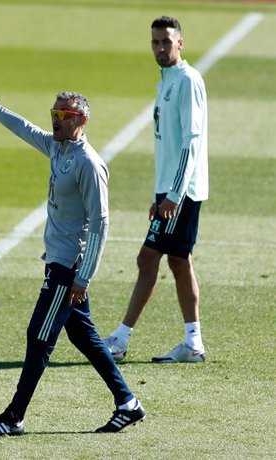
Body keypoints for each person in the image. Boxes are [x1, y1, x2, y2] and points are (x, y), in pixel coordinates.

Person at [0, 76, 145, 436]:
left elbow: (101, 225)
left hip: (68, 268)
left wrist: (82, 278)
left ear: (81, 121)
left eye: (64, 113)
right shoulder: (58, 148)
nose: (56, 118)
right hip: (59, 263)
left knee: (38, 337)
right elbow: (22, 127)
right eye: (54, 111)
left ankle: (14, 417)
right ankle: (128, 403)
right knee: (84, 337)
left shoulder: (89, 164)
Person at [104, 16, 209, 364]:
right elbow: (169, 146)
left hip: (183, 193)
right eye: (155, 42)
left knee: (148, 258)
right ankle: (193, 342)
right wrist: (159, 194)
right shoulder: (166, 81)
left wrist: (174, 195)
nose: (160, 48)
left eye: (166, 41)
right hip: (171, 193)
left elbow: (191, 143)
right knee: (179, 262)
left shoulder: (187, 81)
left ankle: (120, 340)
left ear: (180, 43)